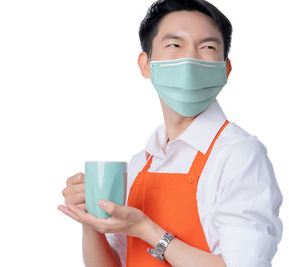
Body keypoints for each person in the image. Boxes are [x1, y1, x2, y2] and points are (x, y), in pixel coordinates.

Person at [57, 0, 283, 266]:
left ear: (225, 69)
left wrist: (146, 230)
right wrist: (90, 219)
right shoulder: (142, 162)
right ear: (146, 65)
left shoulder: (240, 155)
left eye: (208, 47)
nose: (190, 59)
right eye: (175, 45)